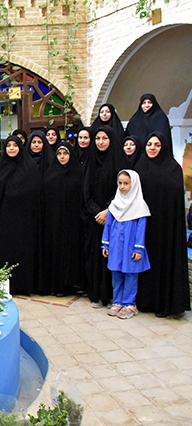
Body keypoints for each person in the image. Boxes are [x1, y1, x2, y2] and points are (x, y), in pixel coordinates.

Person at [134, 133, 191, 317]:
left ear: (163, 147)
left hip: (166, 227)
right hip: (146, 227)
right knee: (146, 263)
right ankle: (146, 301)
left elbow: (176, 200)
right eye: (149, 144)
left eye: (157, 145)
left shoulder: (173, 169)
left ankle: (165, 304)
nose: (152, 148)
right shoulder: (140, 168)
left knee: (164, 263)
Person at [0, 136, 43, 294]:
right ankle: (3, 283)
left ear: (20, 147)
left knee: (21, 253)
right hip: (2, 221)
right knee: (4, 253)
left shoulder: (29, 167)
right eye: (8, 145)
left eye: (15, 145)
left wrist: (14, 194)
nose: (11, 148)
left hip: (23, 221)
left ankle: (23, 286)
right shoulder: (0, 166)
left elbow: (33, 191)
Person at [82, 126, 127, 308]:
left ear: (111, 140)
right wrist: (96, 211)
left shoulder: (119, 161)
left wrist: (108, 210)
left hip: (114, 217)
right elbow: (85, 189)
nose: (100, 142)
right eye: (98, 138)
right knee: (94, 256)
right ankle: (95, 294)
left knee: (111, 256)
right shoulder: (90, 159)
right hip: (94, 219)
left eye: (105, 138)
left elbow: (122, 190)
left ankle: (110, 295)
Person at [102, 170, 150, 320]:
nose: (122, 187)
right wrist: (106, 244)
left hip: (131, 247)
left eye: (126, 183)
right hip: (116, 245)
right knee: (116, 273)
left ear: (134, 184)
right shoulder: (115, 204)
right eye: (120, 183)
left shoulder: (140, 206)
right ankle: (117, 301)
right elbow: (108, 225)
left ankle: (129, 304)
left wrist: (138, 248)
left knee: (130, 274)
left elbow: (141, 229)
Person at [42, 142, 84, 295]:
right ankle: (55, 285)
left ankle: (70, 284)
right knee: (55, 252)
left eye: (65, 154)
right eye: (59, 154)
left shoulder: (78, 173)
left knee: (70, 253)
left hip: (73, 222)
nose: (62, 157)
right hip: (54, 222)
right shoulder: (50, 174)